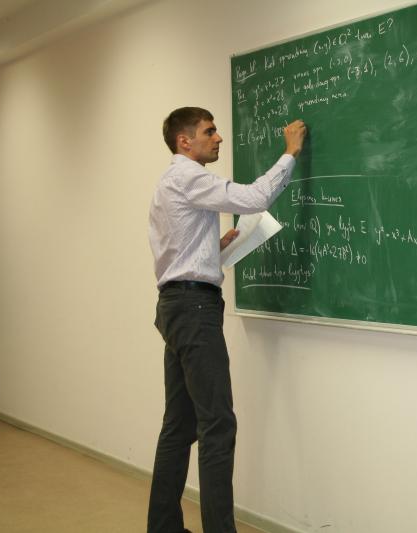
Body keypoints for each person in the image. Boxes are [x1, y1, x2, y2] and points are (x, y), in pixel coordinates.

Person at [147, 106, 306, 533]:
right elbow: (254, 198)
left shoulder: (170, 181)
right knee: (217, 426)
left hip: (177, 307)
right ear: (185, 141)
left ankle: (163, 528)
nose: (218, 138)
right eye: (209, 131)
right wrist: (290, 152)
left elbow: (175, 252)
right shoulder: (189, 176)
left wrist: (211, 250)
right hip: (194, 310)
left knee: (179, 426)